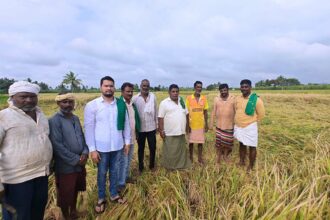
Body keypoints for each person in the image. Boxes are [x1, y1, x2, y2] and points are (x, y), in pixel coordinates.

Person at [0, 81, 53, 220]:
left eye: (32, 96)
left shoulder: (41, 116)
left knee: (37, 213)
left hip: (41, 175)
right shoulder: (4, 117)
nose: (29, 100)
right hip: (16, 180)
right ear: (12, 97)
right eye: (23, 96)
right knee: (19, 216)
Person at [84, 76, 131, 213]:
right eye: (106, 86)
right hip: (101, 148)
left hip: (117, 145)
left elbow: (126, 124)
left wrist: (127, 142)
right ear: (101, 87)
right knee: (102, 173)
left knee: (115, 172)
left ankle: (114, 194)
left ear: (114, 88)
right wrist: (92, 149)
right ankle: (101, 198)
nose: (109, 88)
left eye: (111, 86)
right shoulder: (92, 105)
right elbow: (89, 128)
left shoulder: (120, 104)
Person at [49, 92, 89, 219]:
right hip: (66, 165)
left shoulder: (75, 118)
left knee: (75, 188)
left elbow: (82, 138)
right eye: (64, 102)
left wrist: (85, 152)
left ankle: (73, 211)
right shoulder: (54, 120)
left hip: (79, 163)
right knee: (65, 192)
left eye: (70, 102)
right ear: (58, 103)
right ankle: (66, 216)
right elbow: (57, 146)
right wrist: (76, 159)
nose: (68, 104)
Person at [158, 84, 191, 170]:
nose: (175, 93)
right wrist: (161, 130)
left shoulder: (181, 101)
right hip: (170, 132)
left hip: (181, 131)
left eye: (177, 91)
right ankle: (170, 167)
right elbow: (160, 118)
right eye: (173, 91)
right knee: (171, 151)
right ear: (169, 92)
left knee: (181, 151)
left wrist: (188, 127)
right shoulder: (164, 103)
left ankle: (181, 166)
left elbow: (187, 114)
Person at [234, 79, 265, 170]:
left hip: (250, 127)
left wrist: (251, 122)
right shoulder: (238, 98)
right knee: (242, 144)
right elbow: (236, 109)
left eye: (246, 87)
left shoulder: (256, 100)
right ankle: (242, 161)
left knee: (252, 146)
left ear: (250, 88)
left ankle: (251, 166)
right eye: (242, 87)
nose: (244, 88)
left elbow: (261, 115)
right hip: (239, 126)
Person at [117, 83, 140, 191]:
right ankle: (120, 184)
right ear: (122, 92)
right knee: (123, 161)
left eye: (131, 91)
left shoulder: (132, 104)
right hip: (122, 139)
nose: (130, 93)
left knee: (128, 160)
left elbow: (135, 120)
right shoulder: (119, 104)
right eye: (128, 91)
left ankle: (125, 177)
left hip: (132, 137)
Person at [132, 79, 157, 174]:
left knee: (153, 147)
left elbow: (156, 110)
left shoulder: (153, 97)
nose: (145, 87)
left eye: (147, 86)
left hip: (151, 128)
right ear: (140, 86)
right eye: (144, 86)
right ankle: (140, 167)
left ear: (149, 86)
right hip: (140, 129)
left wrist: (157, 125)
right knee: (140, 149)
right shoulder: (135, 98)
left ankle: (151, 166)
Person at [209, 84, 235, 164]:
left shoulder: (233, 98)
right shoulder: (216, 99)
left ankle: (225, 156)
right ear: (219, 91)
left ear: (228, 90)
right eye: (221, 91)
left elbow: (237, 110)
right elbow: (213, 111)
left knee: (227, 143)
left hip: (229, 125)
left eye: (225, 90)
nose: (223, 92)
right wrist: (211, 123)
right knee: (220, 143)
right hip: (219, 125)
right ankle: (219, 156)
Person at [186, 81, 209, 164]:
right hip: (191, 124)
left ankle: (200, 158)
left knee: (200, 142)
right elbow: (187, 113)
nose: (199, 89)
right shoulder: (189, 98)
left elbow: (205, 112)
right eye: (197, 87)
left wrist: (206, 124)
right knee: (191, 142)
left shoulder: (204, 98)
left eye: (200, 87)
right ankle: (191, 157)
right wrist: (187, 125)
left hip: (200, 124)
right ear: (194, 87)